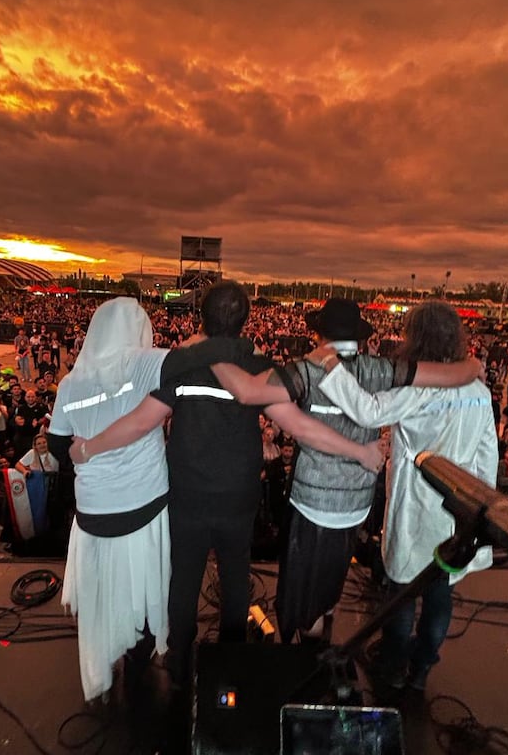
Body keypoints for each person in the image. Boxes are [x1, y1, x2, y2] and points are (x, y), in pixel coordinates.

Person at [69, 283, 387, 686]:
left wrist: (87, 449)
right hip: (238, 494)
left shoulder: (182, 365)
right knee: (235, 574)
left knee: (183, 577)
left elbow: (139, 422)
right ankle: (231, 658)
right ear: (245, 321)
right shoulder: (258, 368)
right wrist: (358, 451)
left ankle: (180, 662)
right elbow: (300, 426)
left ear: (201, 317)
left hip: (188, 493)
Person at [211, 297, 482, 645]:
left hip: (314, 503)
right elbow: (453, 374)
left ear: (319, 333)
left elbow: (248, 392)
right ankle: (324, 636)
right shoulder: (383, 369)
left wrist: (206, 353)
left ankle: (310, 662)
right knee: (332, 582)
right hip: (357, 503)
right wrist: (473, 365)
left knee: (304, 595)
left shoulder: (306, 370)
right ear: (359, 335)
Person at [311, 300, 498, 690]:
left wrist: (329, 366)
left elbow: (368, 411)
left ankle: (394, 667)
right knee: (439, 590)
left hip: (417, 505)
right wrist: (482, 513)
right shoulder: (479, 391)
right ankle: (422, 669)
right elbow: (486, 454)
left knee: (402, 591)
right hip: (457, 510)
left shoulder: (421, 387)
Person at [46, 298, 173, 702]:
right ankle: (139, 661)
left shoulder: (71, 382)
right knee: (144, 585)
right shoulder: (148, 363)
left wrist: (88, 447)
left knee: (102, 591)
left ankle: (105, 662)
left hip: (94, 507)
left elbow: (55, 444)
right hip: (143, 500)